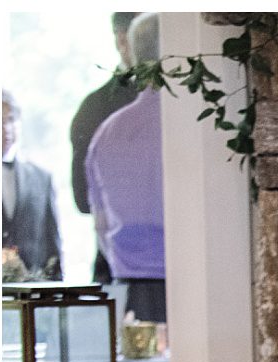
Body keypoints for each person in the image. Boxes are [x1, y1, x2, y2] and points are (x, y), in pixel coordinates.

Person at [85, 13, 166, 321]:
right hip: (197, 281)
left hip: (130, 286)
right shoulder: (195, 126)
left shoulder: (107, 131)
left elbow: (100, 223)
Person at [69, 12, 140, 282]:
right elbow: (82, 196)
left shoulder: (179, 98)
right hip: (115, 263)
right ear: (122, 40)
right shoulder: (96, 108)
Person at [2, 90, 63, 278]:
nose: (6, 128)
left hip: (32, 292)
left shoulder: (41, 178)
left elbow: (52, 243)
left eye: (11, 120)